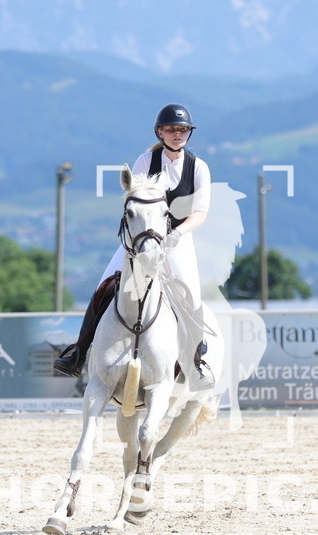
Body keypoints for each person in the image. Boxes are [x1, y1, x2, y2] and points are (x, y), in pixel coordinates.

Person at [54, 104, 214, 388]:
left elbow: (200, 212)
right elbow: (133, 200)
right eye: (171, 129)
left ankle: (195, 363)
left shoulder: (198, 167)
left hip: (176, 243)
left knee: (191, 298)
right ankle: (78, 353)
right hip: (139, 241)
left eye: (182, 129)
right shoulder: (145, 161)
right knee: (103, 287)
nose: (177, 134)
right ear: (160, 132)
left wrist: (176, 233)